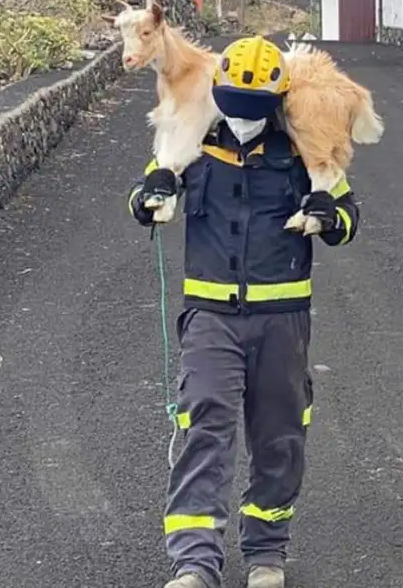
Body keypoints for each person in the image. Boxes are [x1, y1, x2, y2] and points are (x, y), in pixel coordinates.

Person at [127, 36, 360, 588]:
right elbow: (144, 193)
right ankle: (194, 562)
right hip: (210, 314)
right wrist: (152, 196)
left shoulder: (302, 146)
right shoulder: (193, 140)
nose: (246, 119)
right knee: (204, 420)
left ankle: (266, 554)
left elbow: (349, 216)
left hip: (281, 318)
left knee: (280, 434)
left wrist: (328, 214)